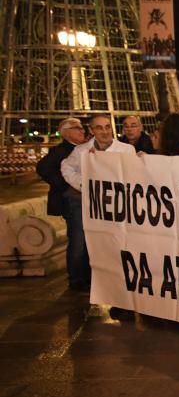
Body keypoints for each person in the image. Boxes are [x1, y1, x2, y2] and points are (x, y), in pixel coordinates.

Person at [59, 114, 137, 290]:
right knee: (79, 241)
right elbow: (66, 167)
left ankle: (113, 280)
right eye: (100, 128)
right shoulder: (81, 151)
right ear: (92, 130)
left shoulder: (126, 150)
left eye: (108, 127)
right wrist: (82, 183)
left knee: (113, 242)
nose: (105, 131)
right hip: (83, 202)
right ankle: (78, 281)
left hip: (113, 204)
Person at [36, 117, 87, 288]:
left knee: (84, 239)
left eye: (82, 128)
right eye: (77, 128)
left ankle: (83, 276)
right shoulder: (61, 150)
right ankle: (77, 279)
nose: (82, 130)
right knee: (78, 239)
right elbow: (42, 168)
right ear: (65, 133)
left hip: (82, 201)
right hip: (72, 202)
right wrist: (66, 186)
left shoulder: (81, 148)